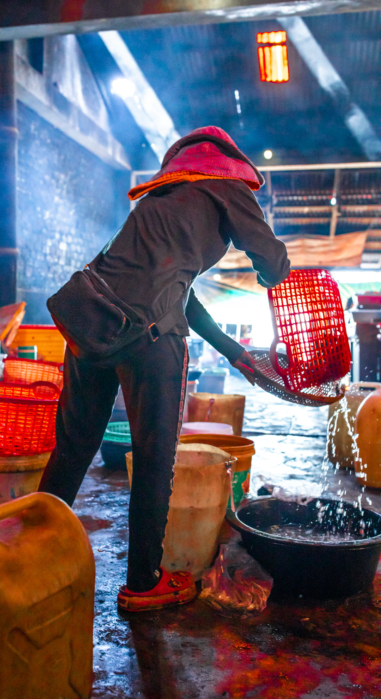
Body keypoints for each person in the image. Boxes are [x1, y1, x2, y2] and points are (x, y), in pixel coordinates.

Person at [39, 126, 290, 612]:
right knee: (155, 457)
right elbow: (275, 264)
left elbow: (182, 293)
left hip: (91, 322)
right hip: (151, 338)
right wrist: (265, 261)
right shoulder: (228, 188)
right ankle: (143, 582)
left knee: (72, 448)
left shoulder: (157, 204)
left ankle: (30, 549)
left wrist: (233, 350)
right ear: (234, 169)